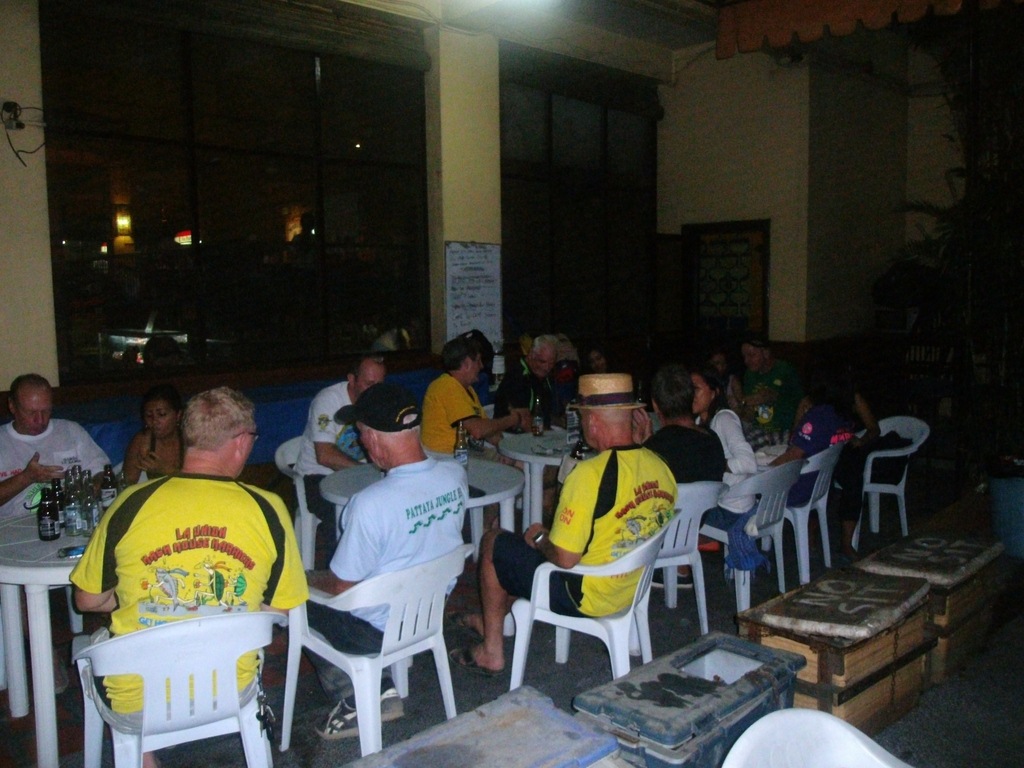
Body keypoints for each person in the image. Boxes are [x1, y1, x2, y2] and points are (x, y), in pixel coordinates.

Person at [70, 387, 308, 767]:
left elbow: (86, 600)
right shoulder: (270, 509)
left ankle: (143, 755)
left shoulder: (131, 503)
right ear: (241, 442)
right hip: (230, 687)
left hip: (139, 700)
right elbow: (278, 609)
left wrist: (141, 598)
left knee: (100, 647)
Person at [449, 373, 676, 676]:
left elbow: (565, 559)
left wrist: (540, 539)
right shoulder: (661, 467)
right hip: (631, 586)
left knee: (494, 543)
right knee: (522, 558)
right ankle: (491, 619)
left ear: (592, 421)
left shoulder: (588, 475)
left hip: (585, 595)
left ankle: (491, 651)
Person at [304, 383, 467, 739]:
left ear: (375, 438)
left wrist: (304, 580)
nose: (362, 443)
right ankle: (382, 684)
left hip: (375, 631)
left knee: (293, 596)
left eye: (361, 434)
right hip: (427, 615)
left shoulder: (369, 504)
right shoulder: (455, 475)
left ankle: (359, 695)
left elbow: (340, 585)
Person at [295, 355, 387, 552]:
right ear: (352, 379)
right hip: (317, 476)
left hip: (358, 476)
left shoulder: (379, 400)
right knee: (345, 520)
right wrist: (367, 472)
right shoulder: (328, 401)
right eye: (369, 384)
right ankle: (338, 566)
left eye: (379, 384)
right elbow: (325, 456)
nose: (375, 391)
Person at [0, 373, 110, 519]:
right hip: (15, 523)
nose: (40, 420)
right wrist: (27, 477)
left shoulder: (71, 430)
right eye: (31, 412)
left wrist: (88, 490)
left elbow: (102, 472)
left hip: (71, 517)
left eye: (46, 411)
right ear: (12, 406)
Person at [421, 335, 525, 454]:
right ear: (466, 364)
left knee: (518, 459)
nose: (481, 366)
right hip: (448, 457)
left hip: (467, 454)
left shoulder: (467, 389)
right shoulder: (446, 386)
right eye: (478, 361)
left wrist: (505, 450)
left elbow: (488, 432)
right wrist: (512, 419)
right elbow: (477, 431)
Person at [769, 369, 857, 507]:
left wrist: (762, 473)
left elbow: (794, 454)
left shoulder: (819, 415)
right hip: (820, 485)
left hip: (797, 487)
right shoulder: (843, 415)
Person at [633, 364, 726, 485]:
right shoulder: (712, 440)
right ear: (691, 397)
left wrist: (639, 449)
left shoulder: (655, 450)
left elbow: (639, 487)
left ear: (655, 404)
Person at [738, 334, 803, 448]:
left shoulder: (785, 371)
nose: (746, 361)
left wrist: (743, 402)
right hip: (758, 429)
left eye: (751, 355)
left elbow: (799, 402)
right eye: (744, 356)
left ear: (766, 353)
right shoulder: (749, 375)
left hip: (783, 431)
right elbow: (749, 410)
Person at [494, 334, 560, 429]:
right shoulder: (517, 377)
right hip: (513, 434)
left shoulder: (546, 378)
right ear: (531, 355)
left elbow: (547, 414)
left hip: (538, 429)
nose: (547, 368)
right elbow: (524, 421)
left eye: (552, 363)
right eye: (542, 361)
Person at [121, 383, 184, 484]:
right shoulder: (142, 441)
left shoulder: (190, 438)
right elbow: (127, 482)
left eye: (162, 414)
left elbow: (200, 479)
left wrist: (166, 470)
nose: (154, 421)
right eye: (149, 416)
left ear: (178, 415)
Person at [707, 347, 744, 414]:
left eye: (717, 363)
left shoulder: (732, 381)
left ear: (724, 365)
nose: (714, 366)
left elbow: (742, 404)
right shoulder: (705, 382)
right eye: (712, 363)